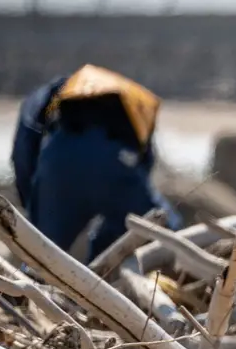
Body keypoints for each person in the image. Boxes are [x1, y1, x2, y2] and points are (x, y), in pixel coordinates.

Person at [12, 64, 175, 259]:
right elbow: (145, 159)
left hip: (59, 160)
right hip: (115, 161)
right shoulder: (127, 95)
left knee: (39, 254)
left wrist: (31, 200)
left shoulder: (49, 94)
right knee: (166, 232)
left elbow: (24, 147)